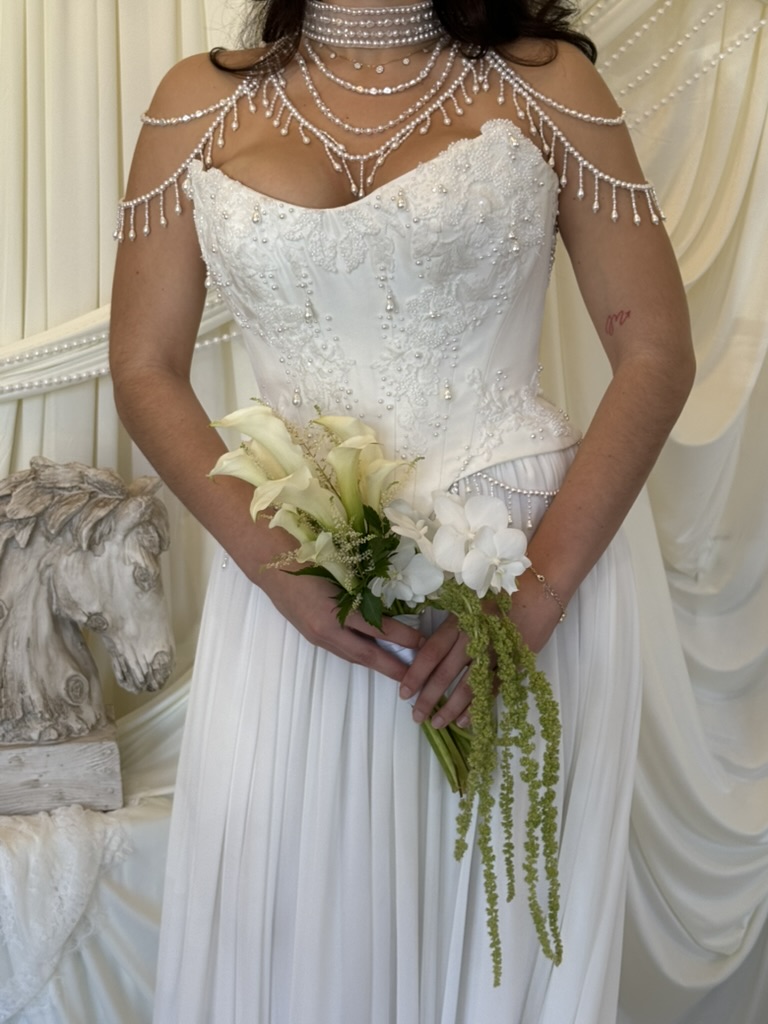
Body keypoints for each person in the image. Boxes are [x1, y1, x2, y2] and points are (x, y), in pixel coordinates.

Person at [109, 1, 695, 1020]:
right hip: (292, 582)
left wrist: (538, 598)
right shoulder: (193, 101)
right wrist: (281, 576)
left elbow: (655, 357)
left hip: (520, 577)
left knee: (499, 948)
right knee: (297, 943)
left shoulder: (547, 82)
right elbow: (144, 367)